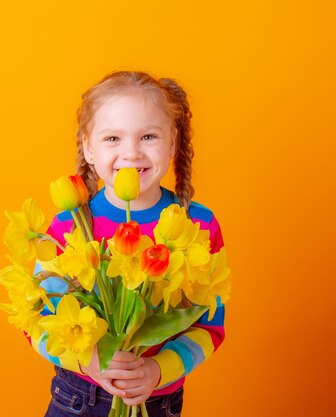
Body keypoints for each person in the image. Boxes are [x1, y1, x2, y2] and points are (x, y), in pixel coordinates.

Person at [29, 71, 228, 417]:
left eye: (148, 136)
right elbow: (37, 323)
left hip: (157, 402)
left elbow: (209, 328)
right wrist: (89, 361)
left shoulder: (198, 225)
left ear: (172, 143)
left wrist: (156, 371)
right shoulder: (66, 226)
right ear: (88, 148)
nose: (131, 153)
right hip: (78, 399)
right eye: (112, 139)